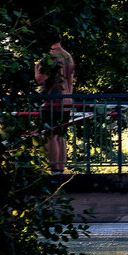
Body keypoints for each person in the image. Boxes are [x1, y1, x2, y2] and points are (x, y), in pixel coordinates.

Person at [33, 37, 74, 174]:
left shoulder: (50, 57)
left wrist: (36, 69)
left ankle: (54, 171)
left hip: (52, 102)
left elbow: (40, 79)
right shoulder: (67, 55)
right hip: (66, 100)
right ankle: (60, 171)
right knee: (60, 136)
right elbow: (71, 80)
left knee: (50, 136)